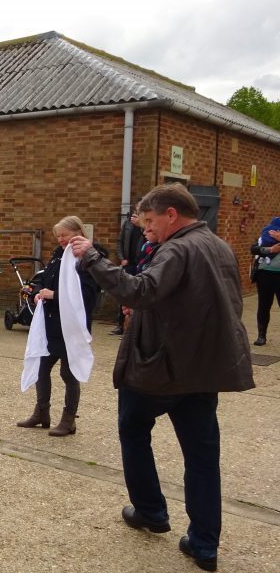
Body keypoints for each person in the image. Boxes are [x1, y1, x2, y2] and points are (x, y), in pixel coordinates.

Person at [69, 183, 254, 572]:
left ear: (172, 214)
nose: (145, 229)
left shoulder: (176, 249)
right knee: (202, 457)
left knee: (133, 431)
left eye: (150, 221)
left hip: (160, 368)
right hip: (202, 371)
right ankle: (205, 545)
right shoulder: (218, 245)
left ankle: (151, 512)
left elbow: (140, 291)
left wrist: (91, 259)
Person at [16, 216, 102, 436]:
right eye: (58, 236)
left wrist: (55, 295)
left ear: (78, 232)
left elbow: (89, 296)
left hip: (71, 327)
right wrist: (36, 294)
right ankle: (41, 412)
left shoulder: (89, 259)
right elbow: (44, 282)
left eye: (64, 235)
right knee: (42, 368)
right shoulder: (57, 256)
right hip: (51, 325)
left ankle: (69, 419)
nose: (61, 240)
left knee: (69, 373)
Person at [111, 207, 144, 335]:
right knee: (124, 293)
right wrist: (121, 258)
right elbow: (120, 241)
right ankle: (121, 325)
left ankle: (134, 327)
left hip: (140, 263)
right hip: (128, 263)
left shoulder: (145, 225)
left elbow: (149, 239)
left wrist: (140, 225)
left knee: (138, 293)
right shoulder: (127, 224)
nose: (134, 215)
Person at [250, 224, 280, 346]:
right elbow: (253, 249)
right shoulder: (265, 236)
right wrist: (270, 250)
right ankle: (261, 335)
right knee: (263, 305)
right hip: (264, 275)